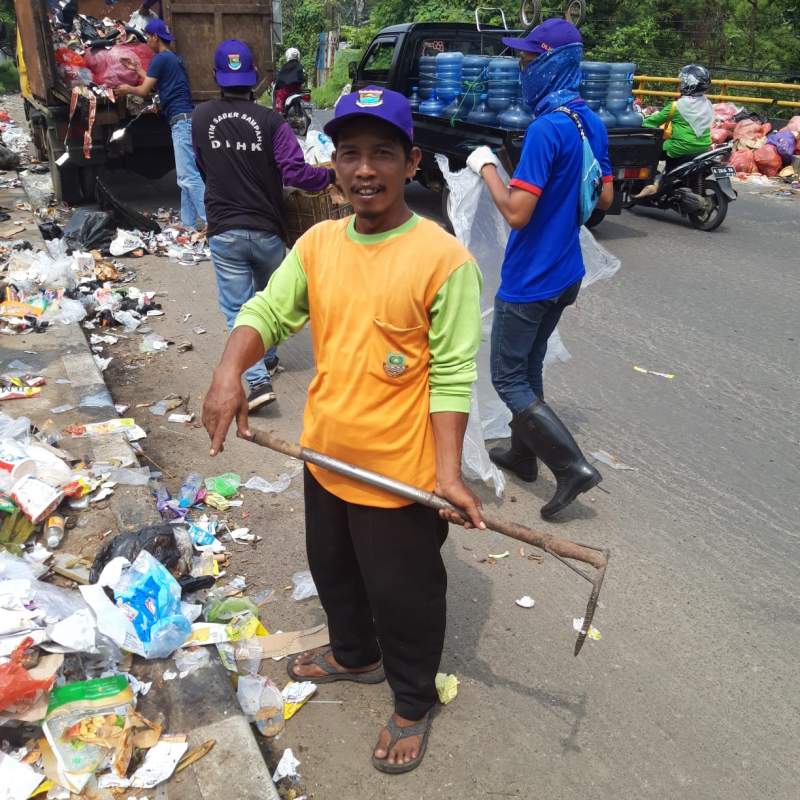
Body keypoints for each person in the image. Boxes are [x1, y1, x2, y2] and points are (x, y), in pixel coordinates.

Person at [202, 86, 485, 773]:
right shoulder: (319, 243)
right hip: (326, 454)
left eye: (382, 153)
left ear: (411, 162)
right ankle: (354, 653)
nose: (364, 169)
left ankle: (414, 700)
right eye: (350, 152)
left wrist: (445, 475)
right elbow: (267, 311)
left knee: (405, 595)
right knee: (334, 570)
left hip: (399, 473)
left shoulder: (443, 259)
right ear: (331, 163)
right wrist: (228, 370)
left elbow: (450, 376)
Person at [468, 19, 612, 520]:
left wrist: (486, 166)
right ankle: (522, 454)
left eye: (529, 59)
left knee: (508, 377)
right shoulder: (587, 121)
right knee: (527, 367)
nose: (521, 67)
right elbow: (605, 198)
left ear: (551, 62)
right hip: (566, 272)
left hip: (531, 278)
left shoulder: (545, 129)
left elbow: (515, 212)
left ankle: (572, 467)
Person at [192, 40, 334, 411]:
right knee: (268, 302)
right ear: (254, 77)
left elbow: (204, 167)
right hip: (269, 230)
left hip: (225, 230)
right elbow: (294, 171)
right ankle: (266, 358)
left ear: (216, 77)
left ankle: (256, 382)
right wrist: (328, 179)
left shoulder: (200, 117)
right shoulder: (272, 122)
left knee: (240, 310)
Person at [116, 19, 206, 230]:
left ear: (155, 37)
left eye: (148, 37)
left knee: (188, 176)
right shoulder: (172, 58)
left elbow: (144, 91)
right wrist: (138, 70)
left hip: (181, 123)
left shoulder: (159, 59)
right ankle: (188, 224)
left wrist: (127, 88)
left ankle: (212, 222)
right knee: (186, 176)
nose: (147, 41)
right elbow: (155, 82)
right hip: (188, 119)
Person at [637, 65, 714, 196]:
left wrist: (639, 122)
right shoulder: (708, 103)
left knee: (653, 150)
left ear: (689, 85)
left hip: (680, 147)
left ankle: (654, 183)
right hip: (704, 148)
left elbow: (650, 123)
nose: (681, 84)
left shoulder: (677, 106)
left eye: (683, 82)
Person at [273, 47, 305, 114]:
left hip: (287, 89)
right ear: (298, 56)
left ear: (287, 56)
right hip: (298, 89)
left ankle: (279, 113)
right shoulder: (300, 66)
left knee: (279, 97)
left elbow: (280, 79)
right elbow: (302, 79)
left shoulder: (285, 66)